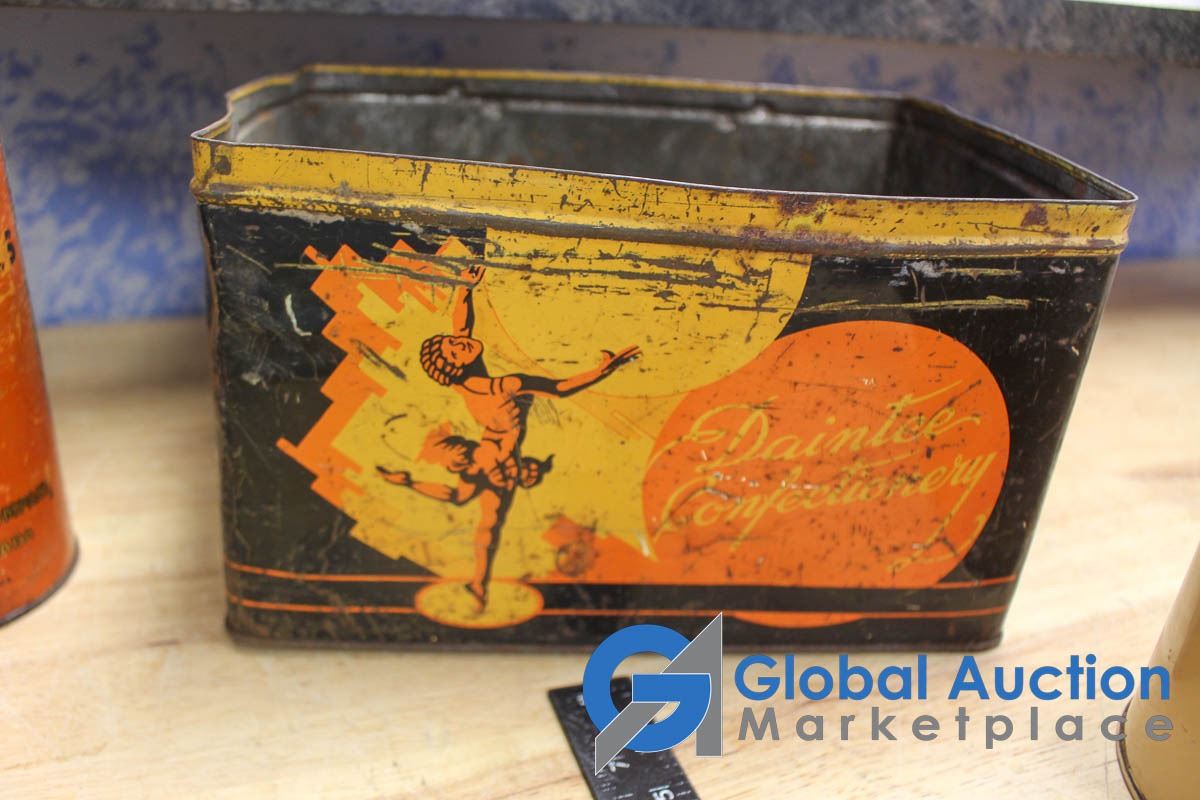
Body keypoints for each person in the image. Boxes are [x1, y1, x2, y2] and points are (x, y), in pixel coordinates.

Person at [417, 264, 639, 492]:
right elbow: (558, 389)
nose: (460, 345)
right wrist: (601, 371)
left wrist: (465, 287)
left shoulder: (474, 383)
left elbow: (461, 329)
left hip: (496, 429)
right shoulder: (502, 388)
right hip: (501, 427)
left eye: (452, 344)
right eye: (455, 353)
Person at [378, 433, 552, 607]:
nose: (528, 475)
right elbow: (460, 493)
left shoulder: (499, 461)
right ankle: (478, 584)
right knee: (463, 499)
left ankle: (479, 583)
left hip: (492, 467)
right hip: (486, 466)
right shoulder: (480, 465)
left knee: (483, 518)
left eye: (531, 476)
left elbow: (488, 525)